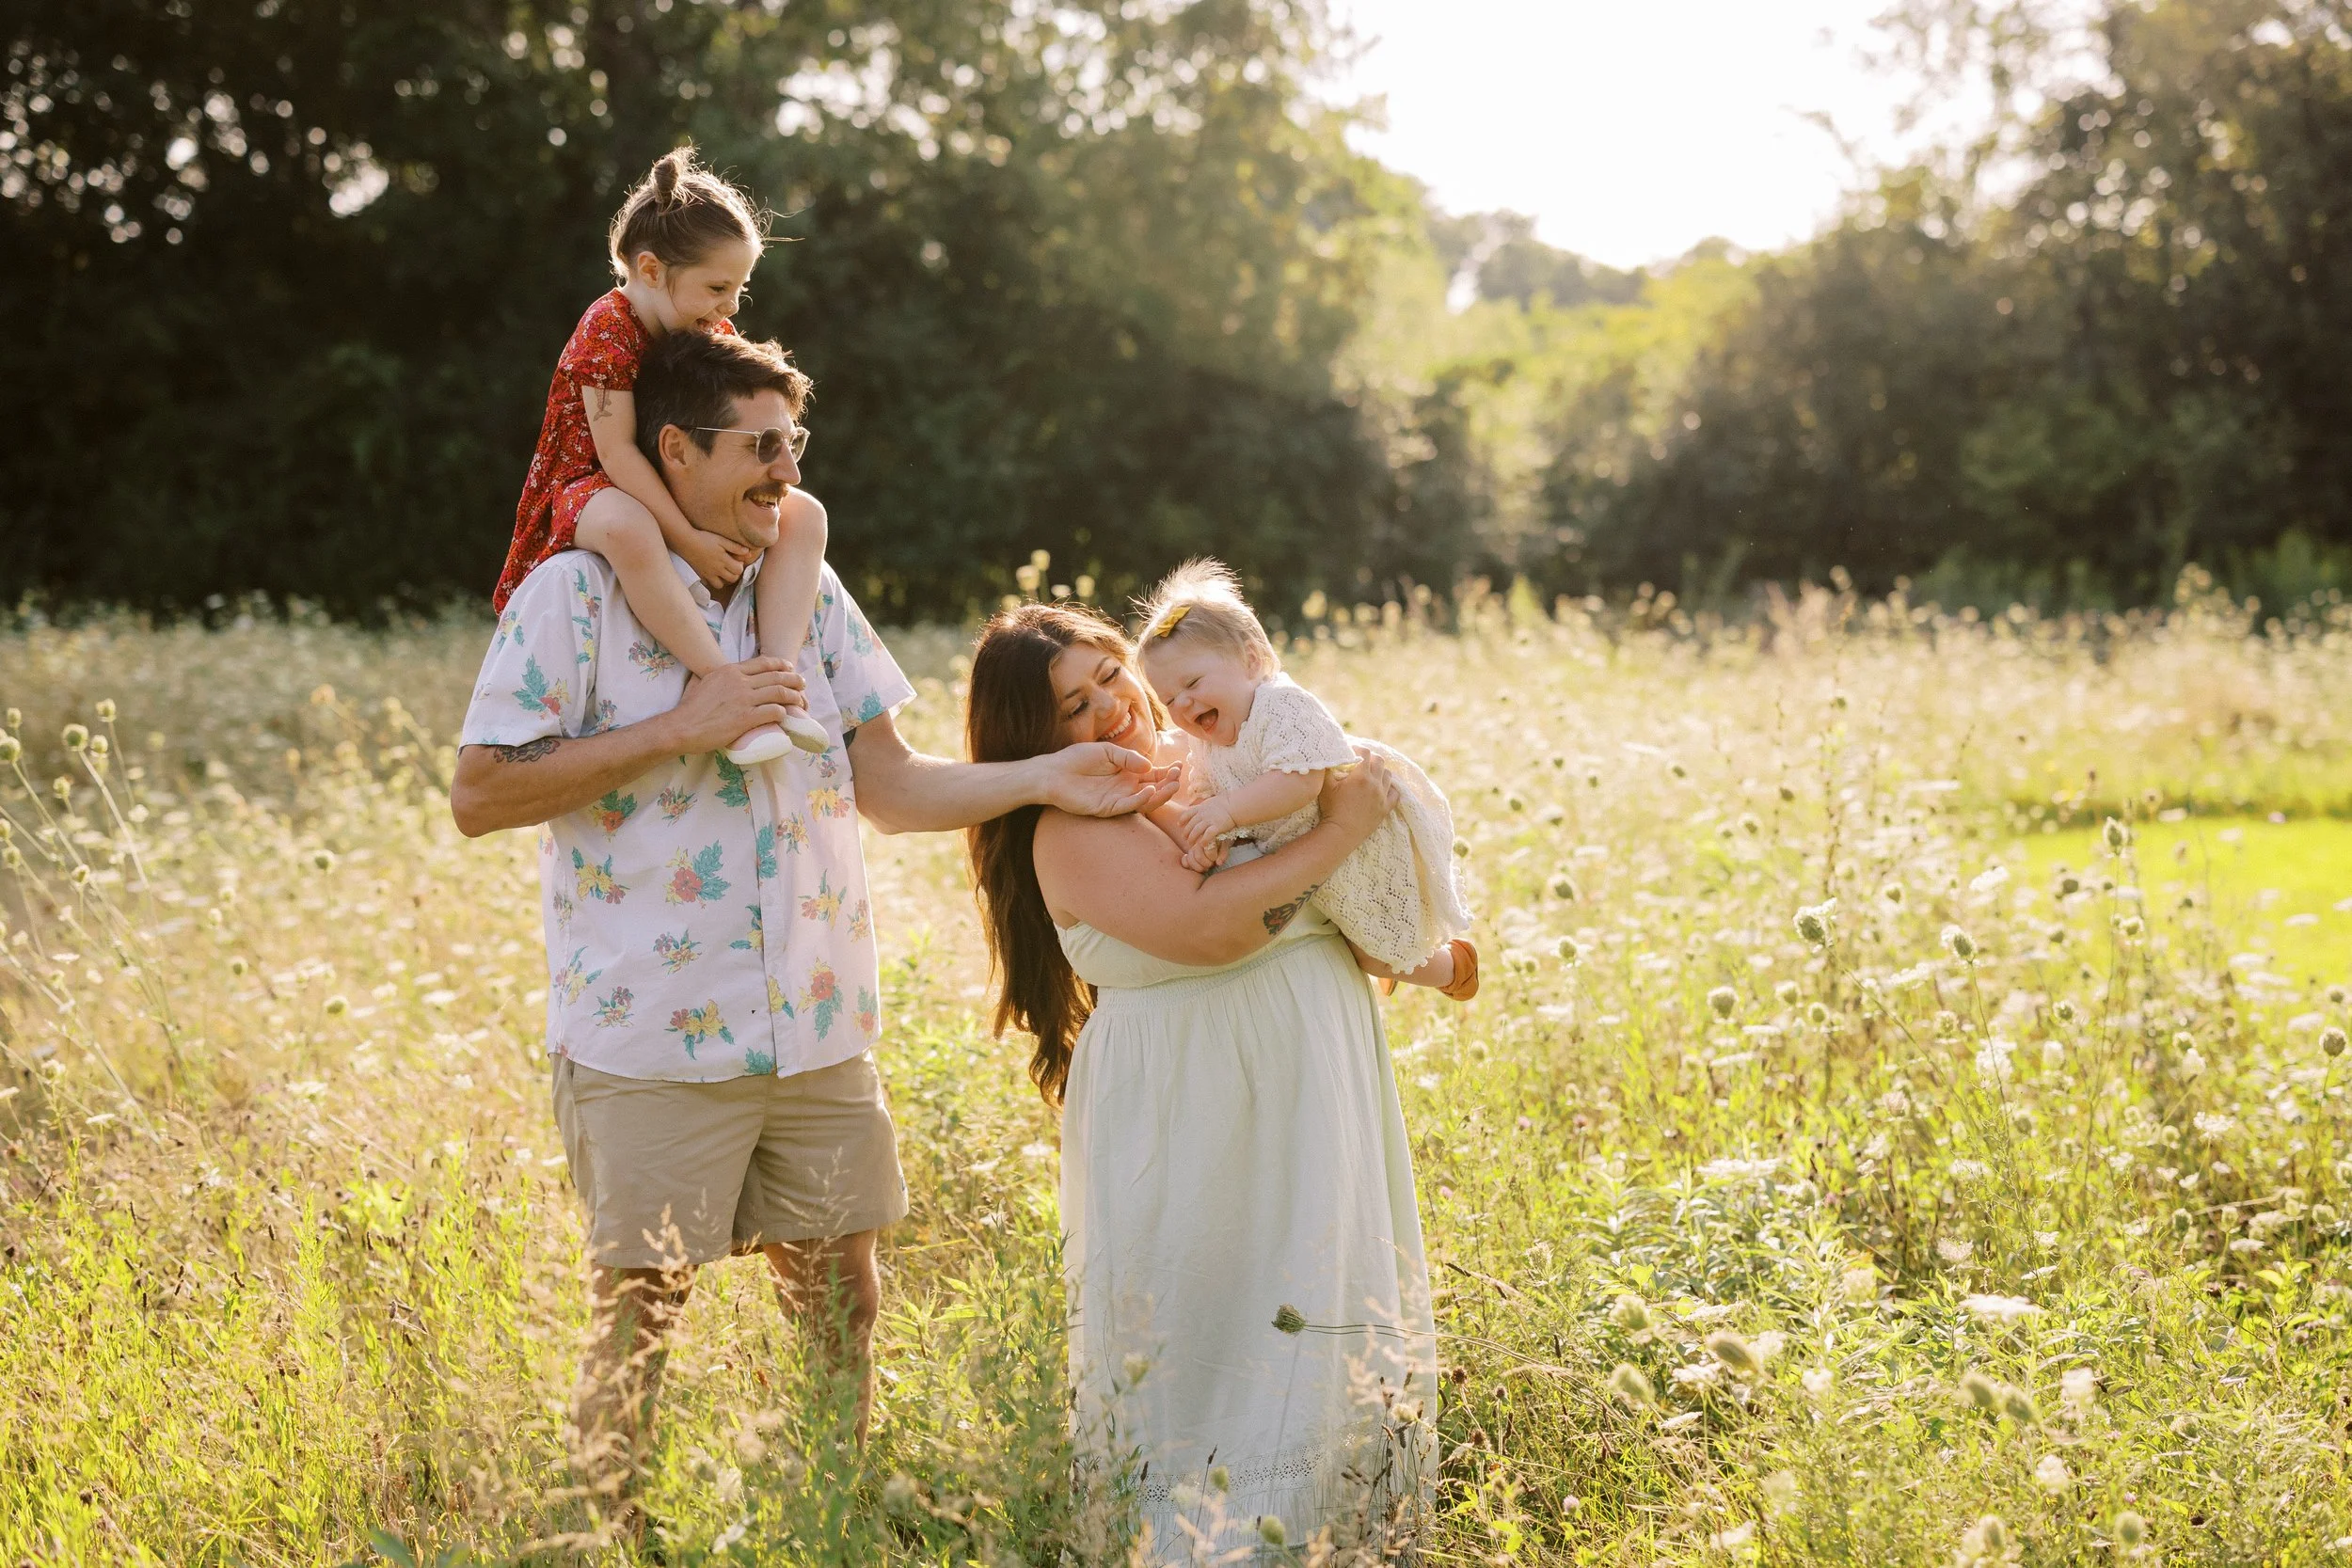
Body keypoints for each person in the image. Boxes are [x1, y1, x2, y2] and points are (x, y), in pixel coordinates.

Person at [449, 331, 1177, 1542]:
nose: (783, 472)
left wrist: (1059, 773)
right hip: (650, 1031)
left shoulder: (806, 586)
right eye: (757, 447)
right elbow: (479, 792)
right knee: (642, 1309)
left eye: (793, 444)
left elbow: (887, 788)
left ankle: (823, 1515)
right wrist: (688, 721)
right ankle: (614, 1538)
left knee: (842, 1294)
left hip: (817, 1016)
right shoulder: (571, 592)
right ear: (672, 450)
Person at [965, 603, 1439, 1561]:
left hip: (1306, 1072)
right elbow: (1219, 927)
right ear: (1033, 736)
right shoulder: (1067, 825)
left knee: (1324, 1305)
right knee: (1223, 1329)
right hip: (1201, 1104)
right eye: (1073, 705)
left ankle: (1344, 1536)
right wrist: (1344, 828)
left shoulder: (1209, 763)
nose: (1112, 704)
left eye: (1108, 674)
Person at [494, 141, 829, 767]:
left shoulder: (706, 329)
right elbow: (615, 456)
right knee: (627, 525)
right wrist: (692, 541)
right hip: (587, 484)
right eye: (717, 286)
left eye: (739, 288)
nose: (730, 307)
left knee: (805, 514)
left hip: (663, 479)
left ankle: (777, 687)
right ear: (650, 270)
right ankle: (723, 682)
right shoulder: (607, 326)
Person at [1136, 559, 1478, 1000]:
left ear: (1251, 660)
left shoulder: (1282, 706)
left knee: (1375, 952)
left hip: (1363, 838)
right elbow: (1207, 791)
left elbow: (1300, 784)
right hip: (1308, 851)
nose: (1183, 703)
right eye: (1168, 699)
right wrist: (1212, 833)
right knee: (1348, 941)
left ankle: (1454, 968)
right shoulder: (1207, 744)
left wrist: (1226, 811)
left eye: (1193, 682)